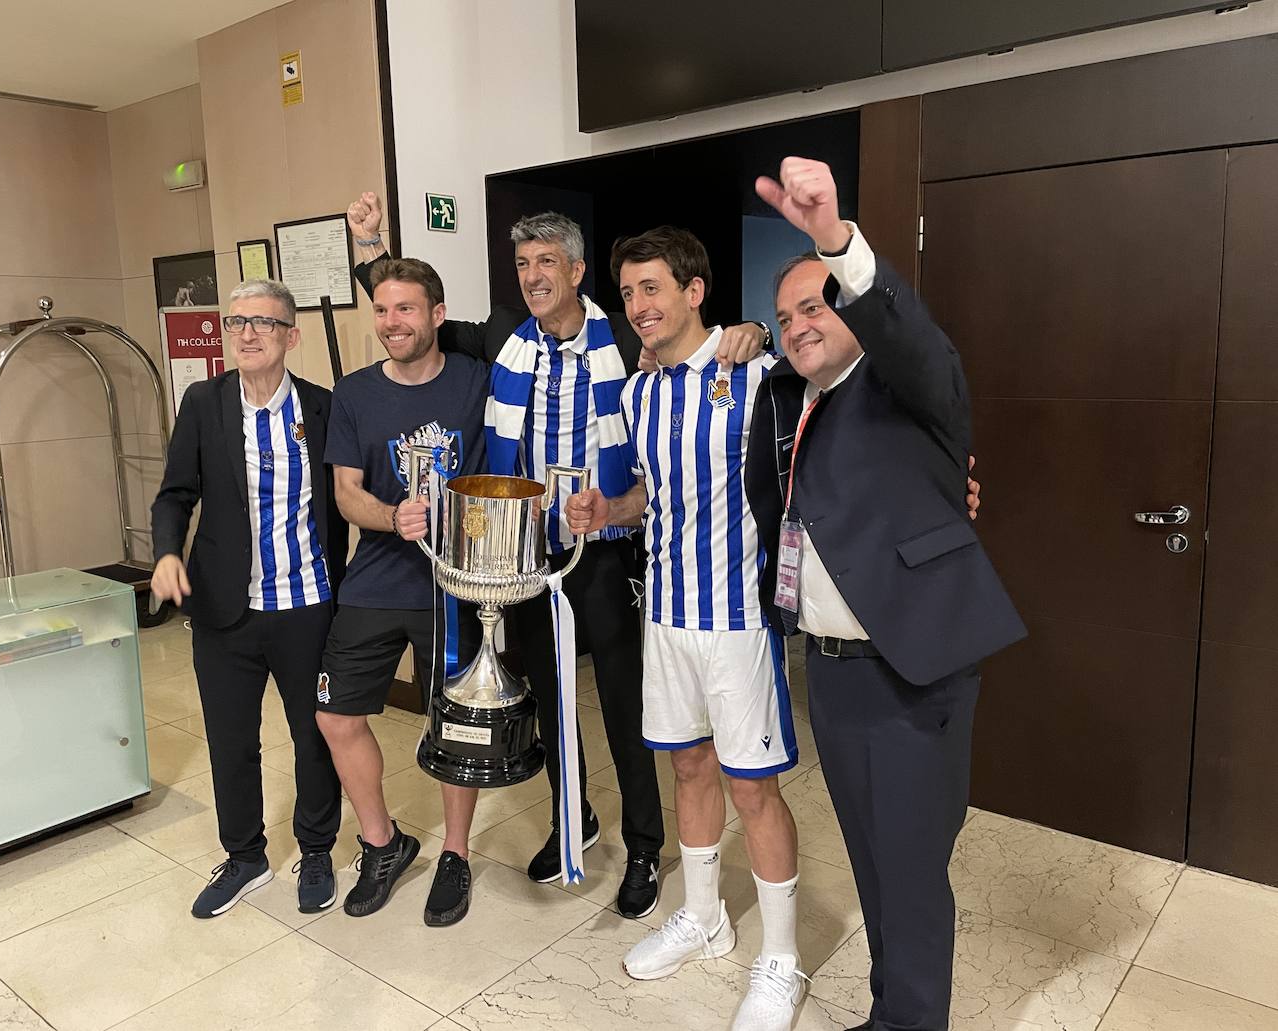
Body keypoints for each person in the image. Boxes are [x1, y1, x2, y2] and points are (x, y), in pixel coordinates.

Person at [347, 191, 765, 916]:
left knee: (627, 709)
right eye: (522, 263)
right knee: (550, 700)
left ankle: (642, 844)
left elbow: (712, 351)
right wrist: (371, 249)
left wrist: (753, 329)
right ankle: (574, 819)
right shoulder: (505, 336)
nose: (533, 275)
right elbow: (411, 313)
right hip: (530, 556)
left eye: (547, 261)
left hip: (602, 552)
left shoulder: (629, 343)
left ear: (575, 270)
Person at [745, 157, 1025, 1031]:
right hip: (830, 674)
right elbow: (775, 507)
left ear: (850, 307)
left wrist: (835, 240)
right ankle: (889, 1012)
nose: (798, 325)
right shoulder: (793, 402)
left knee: (909, 873)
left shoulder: (910, 384)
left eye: (815, 305)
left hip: (911, 672)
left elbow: (912, 338)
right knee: (871, 863)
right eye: (784, 315)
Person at [566, 226, 806, 1031]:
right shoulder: (636, 393)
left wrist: (762, 329)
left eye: (653, 289)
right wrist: (609, 509)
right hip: (664, 616)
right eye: (628, 292)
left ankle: (781, 960)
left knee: (753, 787)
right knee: (690, 770)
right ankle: (704, 916)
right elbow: (649, 495)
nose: (638, 306)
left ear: (694, 291)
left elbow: (826, 370)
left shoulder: (756, 371)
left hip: (739, 618)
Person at [150, 279, 347, 919]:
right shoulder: (204, 403)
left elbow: (344, 501)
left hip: (307, 603)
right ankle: (245, 856)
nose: (248, 334)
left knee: (312, 734)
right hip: (224, 608)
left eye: (263, 323)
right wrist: (167, 553)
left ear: (292, 336)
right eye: (236, 323)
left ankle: (316, 850)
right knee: (231, 738)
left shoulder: (322, 408)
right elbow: (174, 494)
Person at [316, 257, 489, 927]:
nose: (392, 322)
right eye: (383, 310)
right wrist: (392, 516)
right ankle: (383, 842)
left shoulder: (477, 381)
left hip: (454, 584)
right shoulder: (355, 393)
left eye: (407, 309)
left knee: (457, 724)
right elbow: (346, 491)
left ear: (437, 315)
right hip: (376, 580)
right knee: (336, 716)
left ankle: (454, 852)